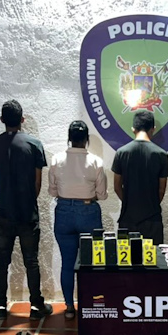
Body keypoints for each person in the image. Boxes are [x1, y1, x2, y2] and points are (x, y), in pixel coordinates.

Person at [0, 100, 51, 320]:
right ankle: (36, 305)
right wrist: (28, 199)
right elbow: (37, 182)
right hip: (27, 212)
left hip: (3, 211)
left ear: (2, 120)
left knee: (2, 261)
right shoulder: (34, 144)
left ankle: (0, 305)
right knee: (31, 261)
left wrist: (5, 195)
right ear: (22, 119)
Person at [49, 120, 107, 319]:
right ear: (86, 139)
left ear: (69, 138)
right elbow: (102, 194)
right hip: (88, 211)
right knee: (91, 263)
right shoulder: (96, 161)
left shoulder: (56, 159)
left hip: (63, 212)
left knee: (67, 263)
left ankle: (69, 307)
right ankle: (91, 305)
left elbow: (52, 191)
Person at [112, 110, 168, 244]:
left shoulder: (121, 153)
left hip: (127, 218)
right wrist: (151, 203)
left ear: (133, 129)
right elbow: (161, 190)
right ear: (153, 129)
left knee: (127, 257)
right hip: (153, 219)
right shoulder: (161, 155)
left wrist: (129, 201)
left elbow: (117, 187)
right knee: (153, 256)